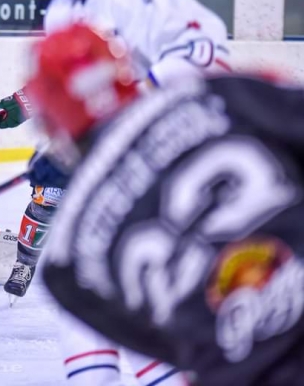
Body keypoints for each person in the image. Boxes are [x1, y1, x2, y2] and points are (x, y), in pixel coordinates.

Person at [0, 0, 229, 384]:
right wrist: (59, 140)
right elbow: (75, 90)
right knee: (87, 295)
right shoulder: (67, 10)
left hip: (156, 174)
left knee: (119, 294)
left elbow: (210, 53)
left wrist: (123, 116)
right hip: (113, 173)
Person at [30, 22, 304, 385]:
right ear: (123, 74)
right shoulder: (208, 92)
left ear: (52, 123)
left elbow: (166, 345)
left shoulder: (63, 264)